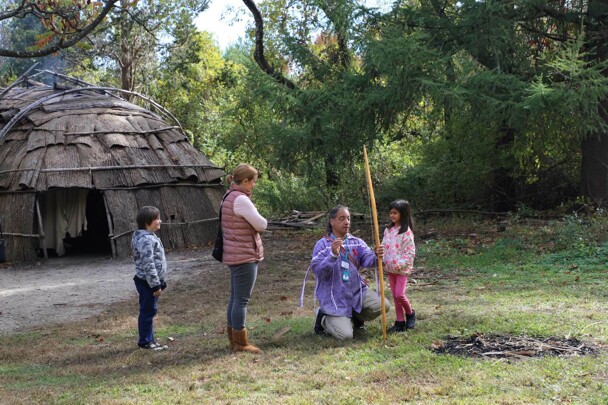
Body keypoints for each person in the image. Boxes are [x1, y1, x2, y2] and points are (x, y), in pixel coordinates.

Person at [310, 205, 391, 340]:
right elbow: (318, 271)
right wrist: (332, 255)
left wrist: (377, 255)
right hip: (335, 298)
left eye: (348, 218)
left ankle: (355, 317)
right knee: (346, 336)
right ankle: (323, 316)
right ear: (332, 221)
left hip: (356, 293)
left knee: (383, 305)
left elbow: (367, 259)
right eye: (342, 219)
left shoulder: (357, 242)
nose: (346, 222)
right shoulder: (322, 244)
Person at [222, 163, 267, 354]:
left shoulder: (228, 196)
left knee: (235, 298)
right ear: (245, 181)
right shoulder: (241, 200)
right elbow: (262, 224)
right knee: (241, 300)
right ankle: (240, 342)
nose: (254, 185)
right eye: (253, 181)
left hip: (234, 253)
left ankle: (234, 339)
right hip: (244, 254)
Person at [132, 206, 168, 350]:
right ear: (148, 221)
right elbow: (148, 264)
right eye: (157, 219)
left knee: (150, 310)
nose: (160, 221)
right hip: (147, 283)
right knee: (148, 311)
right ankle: (145, 342)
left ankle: (150, 339)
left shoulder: (148, 237)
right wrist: (155, 285)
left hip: (150, 281)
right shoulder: (146, 240)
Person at [382, 199, 416, 333]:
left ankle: (410, 313)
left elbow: (410, 252)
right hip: (390, 269)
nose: (392, 215)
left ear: (403, 214)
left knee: (399, 294)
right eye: (391, 213)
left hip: (401, 269)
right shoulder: (388, 230)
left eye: (395, 213)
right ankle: (400, 321)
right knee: (395, 297)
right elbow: (384, 246)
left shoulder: (406, 232)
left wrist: (400, 264)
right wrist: (382, 257)